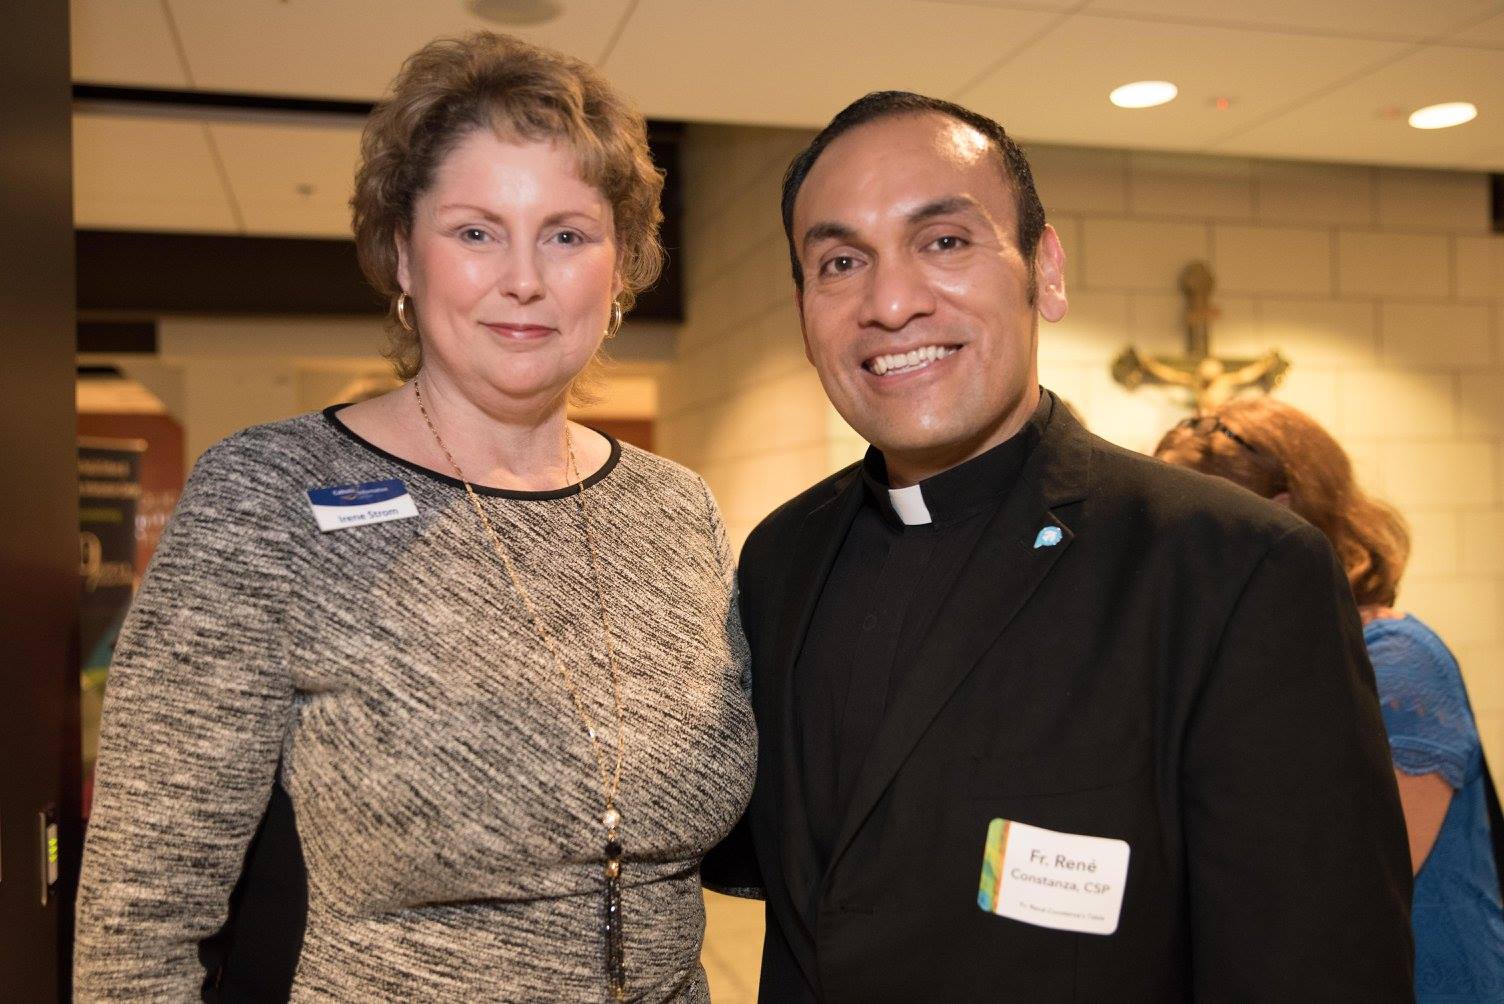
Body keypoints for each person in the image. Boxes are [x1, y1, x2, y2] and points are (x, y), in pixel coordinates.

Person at [74, 32, 755, 1002]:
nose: (524, 276)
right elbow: (143, 902)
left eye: (567, 233)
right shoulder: (268, 493)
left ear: (621, 272)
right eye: (476, 231)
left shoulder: (675, 508)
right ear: (402, 254)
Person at [701, 91, 1413, 1000]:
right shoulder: (779, 558)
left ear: (1046, 270)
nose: (890, 302)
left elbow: (1318, 967)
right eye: (841, 261)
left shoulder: (1231, 569)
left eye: (944, 241)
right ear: (805, 310)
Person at [1156, 398, 1504, 1002]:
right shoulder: (1249, 660)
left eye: (1201, 528)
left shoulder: (1397, 661)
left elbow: (1360, 884)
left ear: (1284, 517)